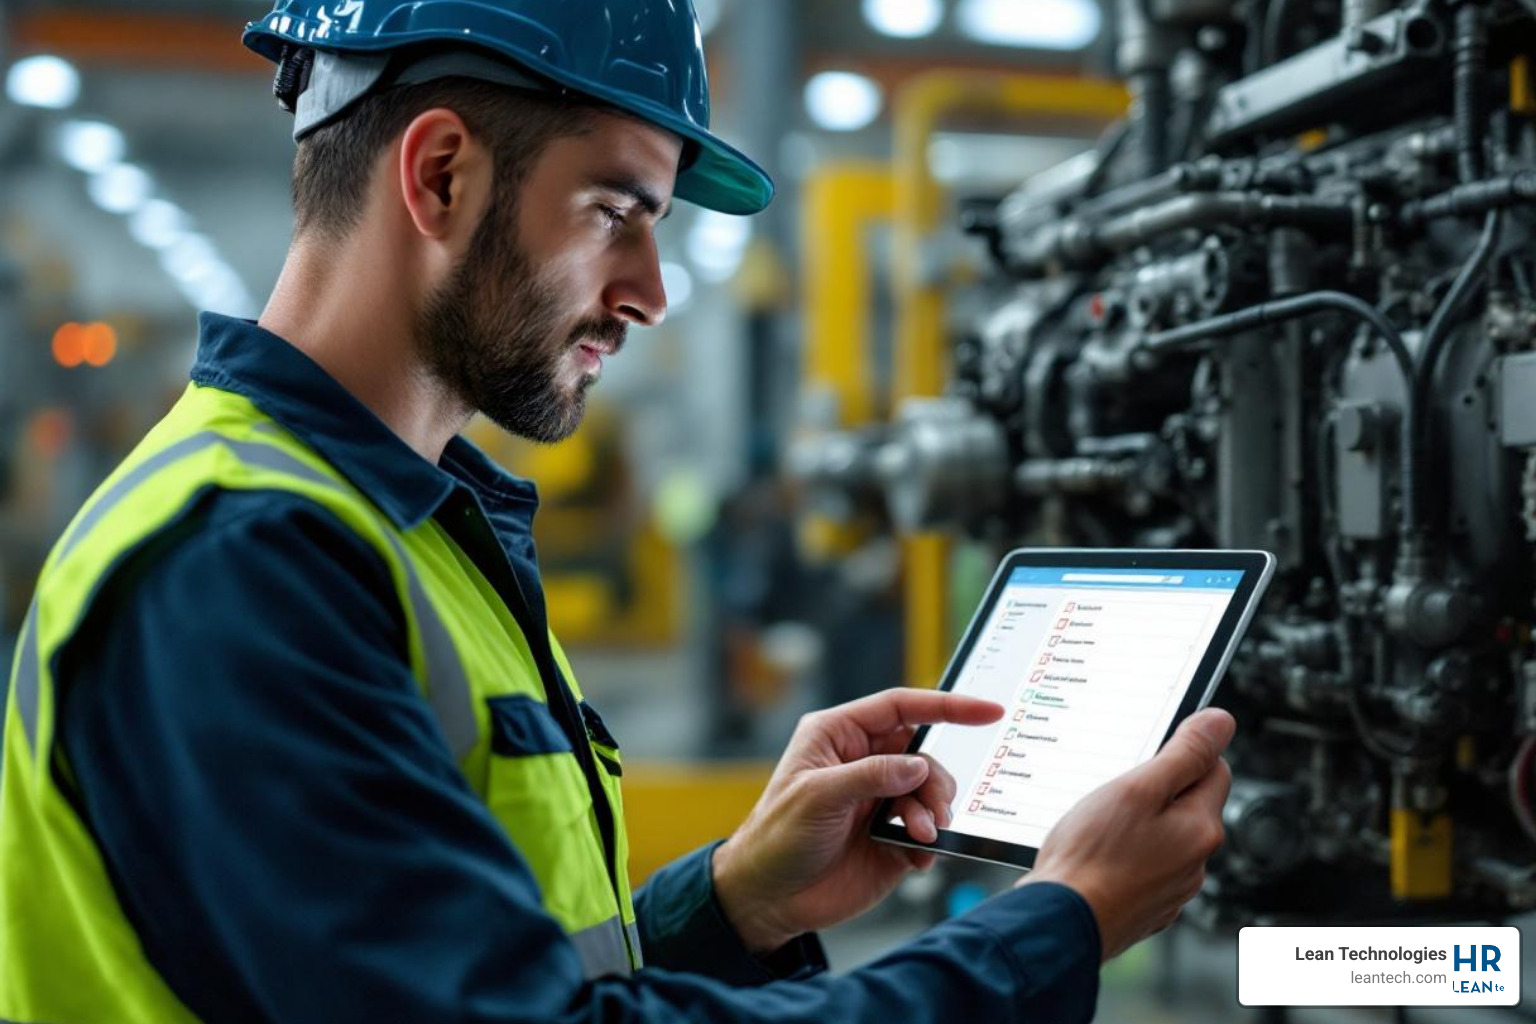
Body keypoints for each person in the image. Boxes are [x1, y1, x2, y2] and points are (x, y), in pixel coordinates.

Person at [0, 2, 1235, 1022]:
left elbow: (488, 975)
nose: (648, 292)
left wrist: (737, 900)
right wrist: (1055, 925)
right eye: (618, 212)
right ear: (439, 175)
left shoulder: (398, 528)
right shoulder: (243, 564)